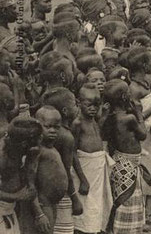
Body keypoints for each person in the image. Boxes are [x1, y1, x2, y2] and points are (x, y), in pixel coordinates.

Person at [101, 79, 147, 234]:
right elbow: (143, 135)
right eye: (128, 92)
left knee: (120, 196)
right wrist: (139, 113)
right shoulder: (129, 118)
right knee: (129, 197)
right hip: (129, 162)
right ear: (123, 97)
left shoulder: (111, 118)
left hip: (119, 161)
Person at [126, 48, 151, 231]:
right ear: (143, 65)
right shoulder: (133, 88)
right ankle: (146, 216)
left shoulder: (143, 84)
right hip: (141, 137)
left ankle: (149, 213)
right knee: (147, 173)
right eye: (150, 61)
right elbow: (136, 116)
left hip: (148, 135)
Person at [71, 83, 113, 234]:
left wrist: (105, 115)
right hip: (85, 170)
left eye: (97, 105)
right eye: (89, 105)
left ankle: (94, 230)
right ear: (78, 102)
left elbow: (95, 134)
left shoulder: (93, 119)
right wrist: (82, 179)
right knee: (85, 208)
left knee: (96, 206)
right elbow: (73, 152)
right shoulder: (77, 123)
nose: (93, 109)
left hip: (96, 170)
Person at [40, 88, 82, 234]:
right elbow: (66, 170)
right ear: (65, 111)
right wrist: (74, 197)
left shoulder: (50, 137)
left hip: (51, 192)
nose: (77, 107)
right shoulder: (66, 137)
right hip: (61, 194)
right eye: (74, 105)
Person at [22, 107, 69, 234]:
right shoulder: (36, 150)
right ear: (37, 126)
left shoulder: (51, 148)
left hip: (51, 204)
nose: (53, 130)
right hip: (41, 205)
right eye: (48, 127)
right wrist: (39, 214)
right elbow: (29, 183)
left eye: (56, 127)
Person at [1, 117, 41, 234]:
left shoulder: (21, 147)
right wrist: (17, 197)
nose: (39, 145)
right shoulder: (2, 156)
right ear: (24, 144)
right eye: (36, 142)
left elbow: (29, 167)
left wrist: (31, 184)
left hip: (9, 210)